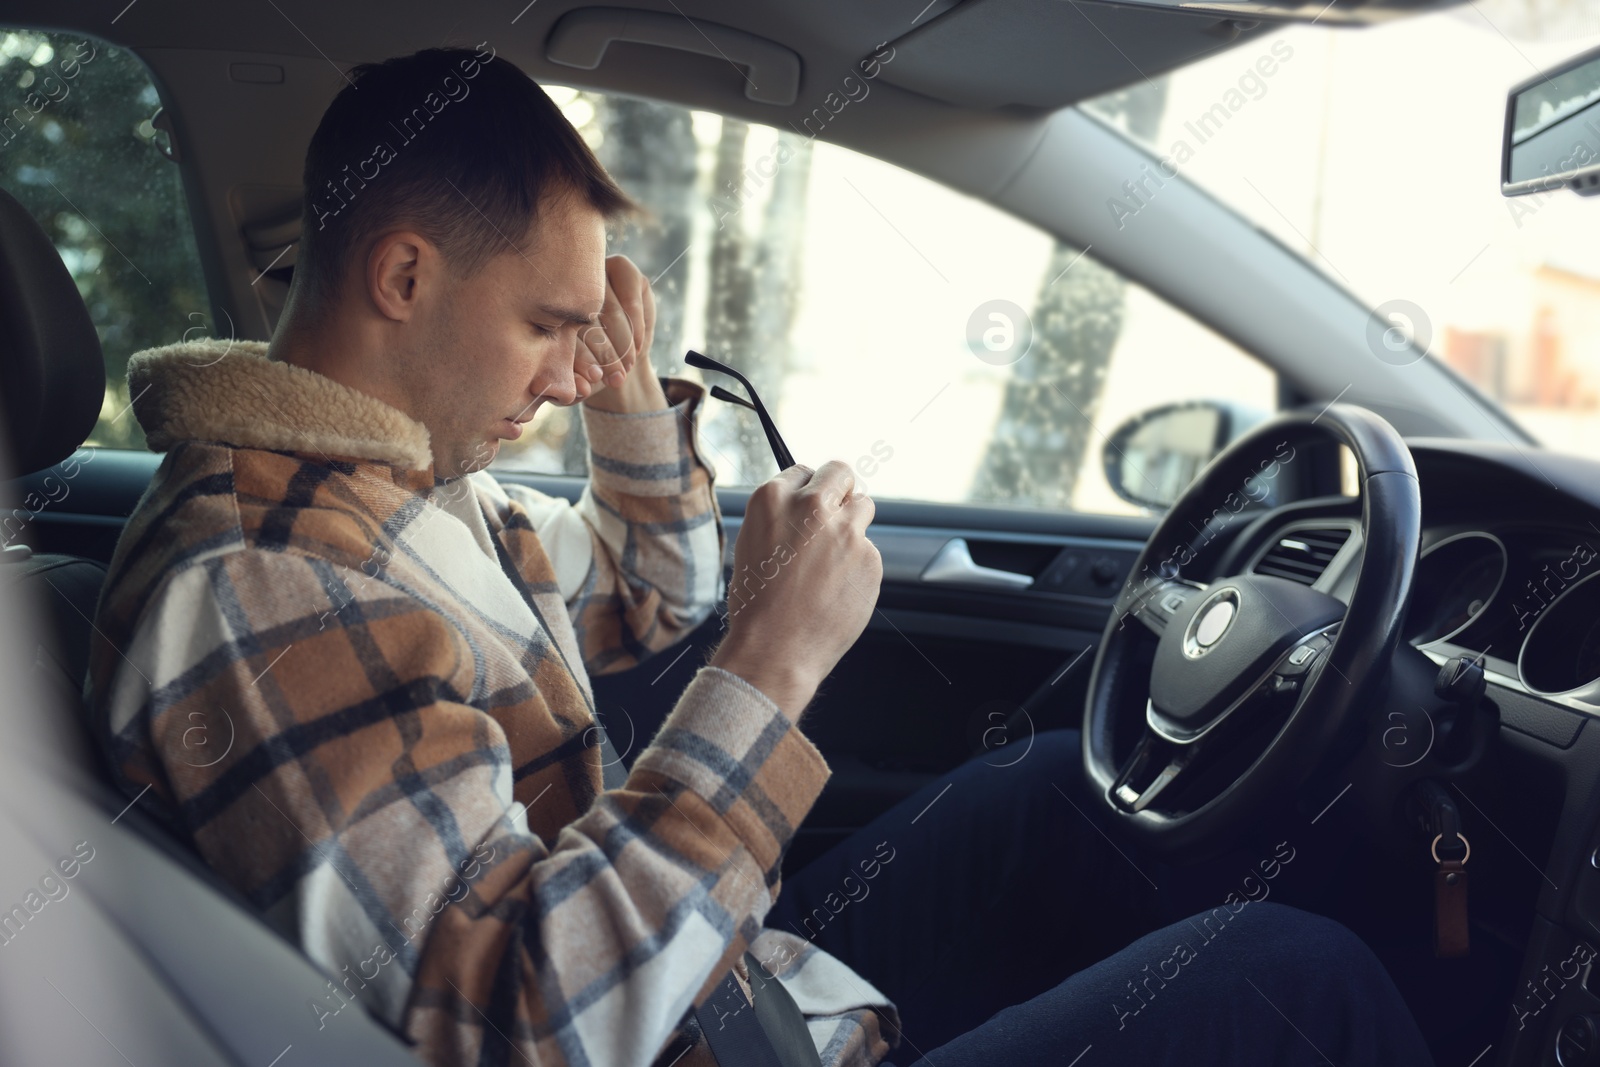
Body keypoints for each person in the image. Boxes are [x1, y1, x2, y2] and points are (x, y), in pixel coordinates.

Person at [86, 45, 1435, 1067]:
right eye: (549, 325)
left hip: (718, 980)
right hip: (670, 1018)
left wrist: (624, 403)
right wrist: (776, 660)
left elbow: (637, 610)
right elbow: (521, 1020)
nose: (565, 373)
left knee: (1050, 796)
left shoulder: (391, 489)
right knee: (1291, 975)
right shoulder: (262, 578)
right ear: (401, 279)